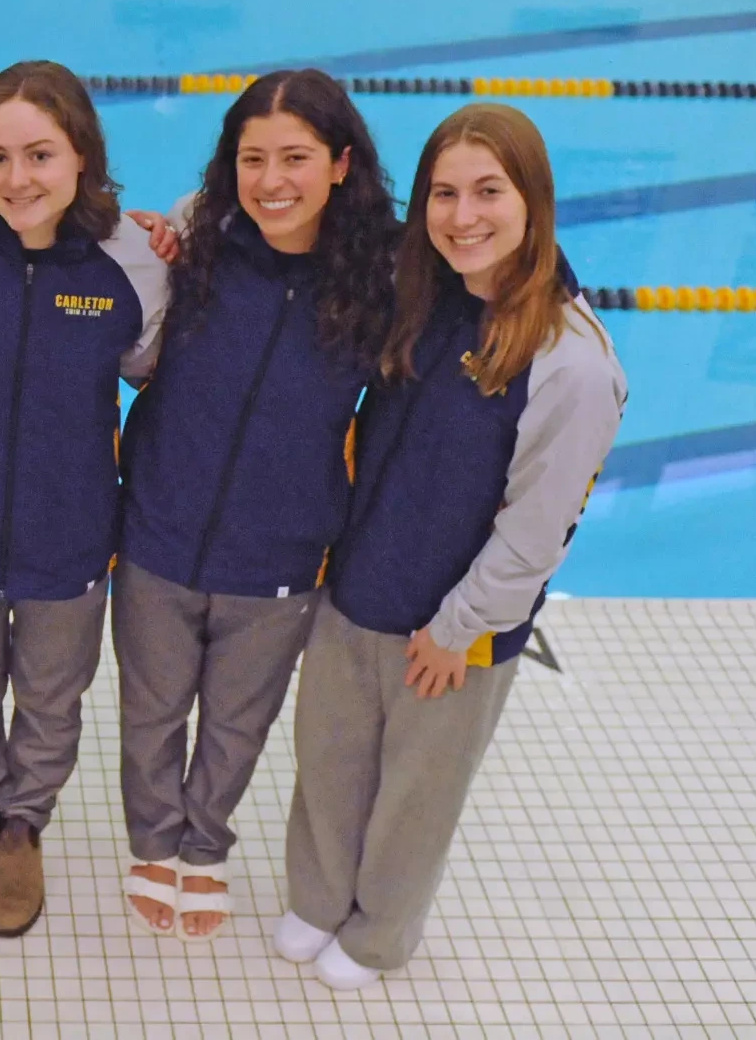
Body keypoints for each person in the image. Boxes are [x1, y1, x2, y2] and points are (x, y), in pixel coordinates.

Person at [279, 102, 626, 990]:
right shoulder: (424, 294)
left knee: (415, 794)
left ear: (533, 201)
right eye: (444, 193)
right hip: (358, 587)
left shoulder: (569, 360)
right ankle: (317, 899)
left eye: (488, 193)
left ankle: (379, 932)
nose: (463, 216)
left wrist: (459, 626)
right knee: (328, 758)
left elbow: (535, 532)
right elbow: (295, 203)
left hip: (453, 626)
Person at [115, 69, 400, 941]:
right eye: (253, 158)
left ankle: (204, 846)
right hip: (159, 530)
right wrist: (144, 238)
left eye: (296, 158)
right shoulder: (199, 243)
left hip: (281, 551)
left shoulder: (381, 277)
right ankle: (153, 841)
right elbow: (134, 346)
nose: (272, 179)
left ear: (341, 164)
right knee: (151, 711)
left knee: (237, 724)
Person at [0, 61, 166, 937]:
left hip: (70, 527)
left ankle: (25, 824)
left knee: (53, 695)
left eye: (41, 155)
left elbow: (148, 369)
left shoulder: (133, 258)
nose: (18, 179)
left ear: (82, 157)